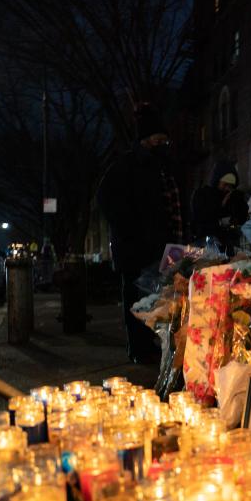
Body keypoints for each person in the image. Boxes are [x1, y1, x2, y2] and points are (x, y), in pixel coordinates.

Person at [98, 103, 184, 364]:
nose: (164, 143)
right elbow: (106, 199)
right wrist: (132, 230)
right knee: (136, 302)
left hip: (158, 247)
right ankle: (139, 349)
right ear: (147, 138)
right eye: (160, 139)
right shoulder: (127, 165)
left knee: (154, 299)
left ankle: (148, 346)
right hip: (136, 249)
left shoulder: (161, 167)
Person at [190, 162, 249, 252]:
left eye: (230, 186)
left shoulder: (233, 197)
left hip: (229, 244)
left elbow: (242, 217)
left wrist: (238, 202)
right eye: (225, 185)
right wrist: (220, 206)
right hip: (207, 244)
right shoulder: (204, 194)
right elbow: (201, 217)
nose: (227, 188)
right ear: (217, 181)